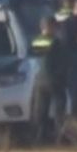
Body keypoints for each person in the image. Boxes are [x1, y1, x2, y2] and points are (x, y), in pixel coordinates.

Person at [31, 16, 70, 144]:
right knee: (59, 109)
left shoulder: (35, 42)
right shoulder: (56, 42)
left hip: (39, 79)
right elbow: (63, 62)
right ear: (51, 26)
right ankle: (60, 137)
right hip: (54, 80)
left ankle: (39, 137)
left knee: (40, 110)